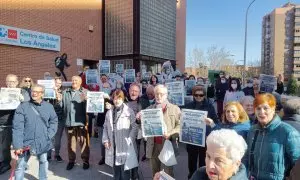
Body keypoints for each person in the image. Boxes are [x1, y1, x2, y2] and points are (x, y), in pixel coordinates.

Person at [244, 93, 300, 179]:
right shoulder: (252, 130)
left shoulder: (288, 132)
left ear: (273, 109)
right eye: (258, 108)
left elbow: (297, 165)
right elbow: (247, 158)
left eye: (265, 108)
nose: (261, 112)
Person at [153, 129, 248, 180]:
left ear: (236, 163)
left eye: (219, 160)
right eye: (208, 156)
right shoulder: (200, 174)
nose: (210, 165)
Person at [12, 84, 58, 180]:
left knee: (43, 161)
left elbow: (54, 121)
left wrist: (48, 135)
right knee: (21, 165)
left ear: (42, 94)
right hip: (25, 142)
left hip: (43, 141)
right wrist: (18, 145)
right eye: (33, 91)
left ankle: (43, 178)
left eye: (37, 92)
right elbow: (17, 127)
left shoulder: (49, 106)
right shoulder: (23, 107)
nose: (34, 93)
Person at [138, 84, 181, 177]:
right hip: (153, 145)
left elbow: (180, 126)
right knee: (155, 172)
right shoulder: (149, 109)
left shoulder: (175, 109)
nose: (158, 96)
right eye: (156, 94)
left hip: (167, 143)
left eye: (161, 94)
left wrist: (170, 134)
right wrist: (139, 120)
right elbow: (142, 128)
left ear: (166, 95)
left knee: (168, 172)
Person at [184, 86, 219, 179]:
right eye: (196, 95)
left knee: (203, 163)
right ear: (193, 95)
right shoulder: (189, 106)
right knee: (191, 163)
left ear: (204, 95)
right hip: (191, 139)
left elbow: (216, 123)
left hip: (205, 139)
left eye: (201, 95)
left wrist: (211, 123)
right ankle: (191, 177)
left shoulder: (210, 107)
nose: (198, 97)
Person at [102, 89, 138, 180]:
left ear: (123, 99)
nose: (116, 100)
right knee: (115, 169)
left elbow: (135, 127)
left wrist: (130, 139)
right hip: (113, 144)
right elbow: (105, 127)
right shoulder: (109, 112)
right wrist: (105, 140)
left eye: (119, 98)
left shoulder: (129, 111)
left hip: (124, 144)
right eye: (114, 98)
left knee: (125, 170)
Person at [61, 76, 90, 170]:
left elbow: (91, 107)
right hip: (69, 122)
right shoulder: (65, 92)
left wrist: (87, 100)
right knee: (70, 143)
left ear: (80, 82)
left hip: (81, 122)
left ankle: (85, 161)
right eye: (72, 80)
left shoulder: (85, 92)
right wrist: (58, 100)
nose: (74, 82)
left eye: (76, 80)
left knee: (83, 142)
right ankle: (71, 161)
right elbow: (61, 105)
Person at [0, 74, 23, 174]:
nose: (10, 84)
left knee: (20, 146)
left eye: (13, 82)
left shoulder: (23, 92)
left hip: (18, 125)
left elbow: (28, 104)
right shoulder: (1, 92)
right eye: (9, 81)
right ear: (6, 82)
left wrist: (22, 100)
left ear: (17, 83)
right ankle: (5, 163)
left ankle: (22, 164)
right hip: (4, 124)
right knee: (4, 147)